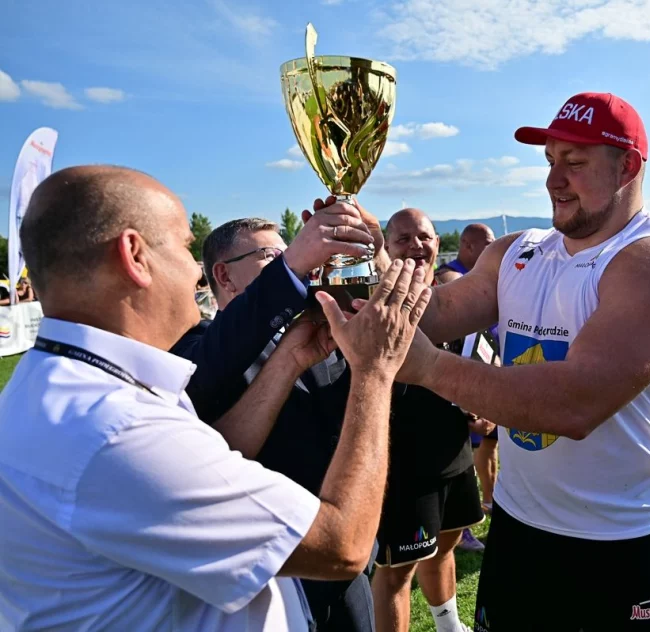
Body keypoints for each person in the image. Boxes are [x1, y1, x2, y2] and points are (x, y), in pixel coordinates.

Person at [0, 165, 431, 630]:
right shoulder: (115, 428)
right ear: (134, 256)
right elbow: (341, 544)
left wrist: (287, 361)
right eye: (185, 246)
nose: (194, 271)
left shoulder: (61, 390)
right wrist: (374, 371)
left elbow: (211, 448)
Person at [367, 92, 650, 630]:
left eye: (574, 163)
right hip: (520, 528)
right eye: (550, 161)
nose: (554, 180)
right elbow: (433, 312)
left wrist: (426, 367)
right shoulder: (518, 251)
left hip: (622, 539)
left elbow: (572, 404)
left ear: (629, 166)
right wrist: (370, 256)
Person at [170, 209, 381, 631]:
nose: (303, 262)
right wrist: (292, 267)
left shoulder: (312, 331)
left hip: (347, 557)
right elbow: (221, 351)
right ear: (224, 277)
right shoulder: (194, 351)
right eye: (272, 255)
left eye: (293, 252)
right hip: (272, 568)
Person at [372, 208, 484, 632]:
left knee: (446, 545)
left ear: (438, 244)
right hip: (402, 461)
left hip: (453, 449)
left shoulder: (453, 297)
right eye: (403, 238)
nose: (417, 245)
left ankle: (449, 626)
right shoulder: (371, 298)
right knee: (398, 570)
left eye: (425, 237)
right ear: (385, 246)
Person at [435, 222, 499, 548]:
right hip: (460, 391)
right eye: (487, 243)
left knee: (488, 448)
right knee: (468, 454)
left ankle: (487, 503)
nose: (493, 248)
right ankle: (462, 527)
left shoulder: (486, 273)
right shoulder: (451, 277)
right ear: (468, 245)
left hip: (487, 379)